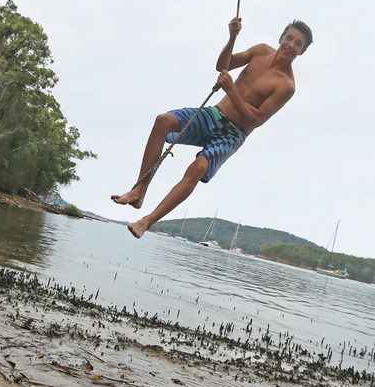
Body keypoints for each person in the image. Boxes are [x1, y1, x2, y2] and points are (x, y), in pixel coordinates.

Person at [112, 17, 312, 238]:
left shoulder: (286, 85)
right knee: (163, 121)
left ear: (301, 52)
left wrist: (230, 90)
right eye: (289, 38)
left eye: (298, 44)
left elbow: (257, 119)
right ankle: (139, 190)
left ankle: (147, 221)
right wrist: (232, 37)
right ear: (281, 37)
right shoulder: (260, 51)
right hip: (213, 115)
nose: (291, 45)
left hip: (233, 134)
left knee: (198, 168)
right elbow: (222, 65)